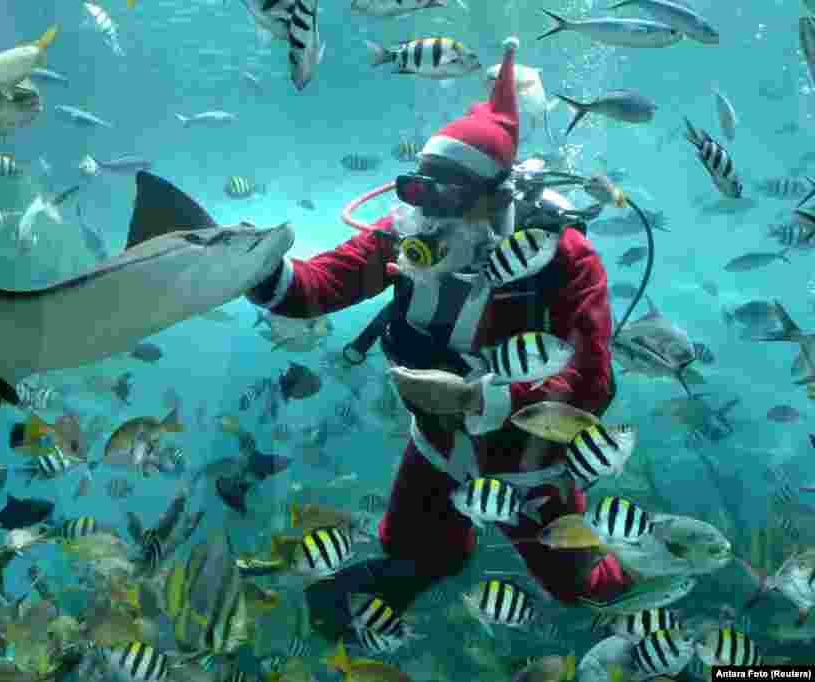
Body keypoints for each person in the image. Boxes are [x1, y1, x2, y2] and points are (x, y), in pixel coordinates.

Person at [245, 37, 631, 642]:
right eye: (417, 189)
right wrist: (253, 266)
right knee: (414, 553)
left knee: (583, 589)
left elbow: (592, 381)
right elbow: (315, 288)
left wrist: (478, 400)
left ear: (497, 198)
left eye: (447, 195)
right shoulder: (406, 233)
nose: (428, 214)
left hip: (526, 469)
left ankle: (670, 618)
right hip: (434, 450)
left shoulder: (564, 260)